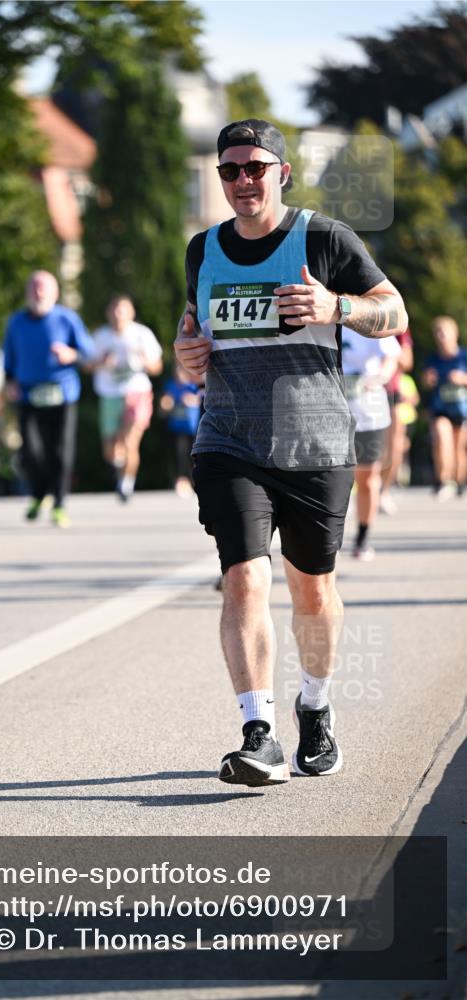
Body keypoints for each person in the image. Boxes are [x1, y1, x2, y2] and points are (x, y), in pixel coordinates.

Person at [174, 119, 408, 786]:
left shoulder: (323, 238)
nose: (242, 180)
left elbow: (395, 311)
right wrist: (184, 351)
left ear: (281, 172)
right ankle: (259, 733)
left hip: (315, 443)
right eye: (229, 170)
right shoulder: (202, 248)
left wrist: (336, 307)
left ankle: (315, 704)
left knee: (312, 589)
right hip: (229, 438)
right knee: (244, 577)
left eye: (255, 167)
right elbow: (190, 327)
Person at [3, 271, 95, 527]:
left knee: (60, 452)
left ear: (55, 293)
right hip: (28, 395)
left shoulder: (67, 319)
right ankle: (38, 494)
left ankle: (59, 504)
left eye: (43, 288)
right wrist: (9, 382)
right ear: (27, 293)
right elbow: (8, 357)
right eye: (34, 288)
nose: (38, 293)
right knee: (31, 452)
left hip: (62, 394)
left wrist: (71, 354)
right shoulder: (16, 322)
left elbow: (89, 352)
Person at [90, 295, 163, 501]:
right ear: (108, 313)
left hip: (137, 392)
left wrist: (144, 362)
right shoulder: (100, 336)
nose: (118, 314)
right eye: (114, 309)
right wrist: (102, 362)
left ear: (131, 313)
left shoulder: (142, 334)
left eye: (122, 309)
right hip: (109, 394)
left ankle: (126, 484)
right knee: (110, 449)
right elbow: (86, 365)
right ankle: (118, 465)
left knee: (130, 441)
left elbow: (157, 367)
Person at [342, 333, 400, 560]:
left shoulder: (369, 318)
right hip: (329, 413)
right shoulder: (318, 316)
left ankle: (362, 538)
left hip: (368, 412)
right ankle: (327, 542)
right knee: (329, 478)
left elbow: (392, 355)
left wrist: (378, 377)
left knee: (366, 478)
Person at [422, 316, 467, 500]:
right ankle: (443, 480)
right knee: (442, 439)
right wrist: (428, 380)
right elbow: (425, 381)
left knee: (458, 448)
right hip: (440, 408)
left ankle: (459, 481)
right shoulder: (433, 359)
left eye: (444, 332)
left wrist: (462, 379)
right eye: (438, 333)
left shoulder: (463, 356)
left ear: (455, 334)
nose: (441, 336)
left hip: (461, 409)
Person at [379, 327, 414, 514]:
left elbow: (408, 361)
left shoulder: (397, 324)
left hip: (391, 390)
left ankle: (384, 491)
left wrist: (389, 351)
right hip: (360, 389)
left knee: (394, 444)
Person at [159, 364, 203, 497]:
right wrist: (167, 403)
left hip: (193, 428)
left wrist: (191, 400)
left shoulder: (193, 385)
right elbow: (164, 404)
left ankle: (195, 482)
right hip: (177, 428)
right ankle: (181, 481)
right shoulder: (171, 385)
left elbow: (203, 399)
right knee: (180, 455)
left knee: (194, 457)